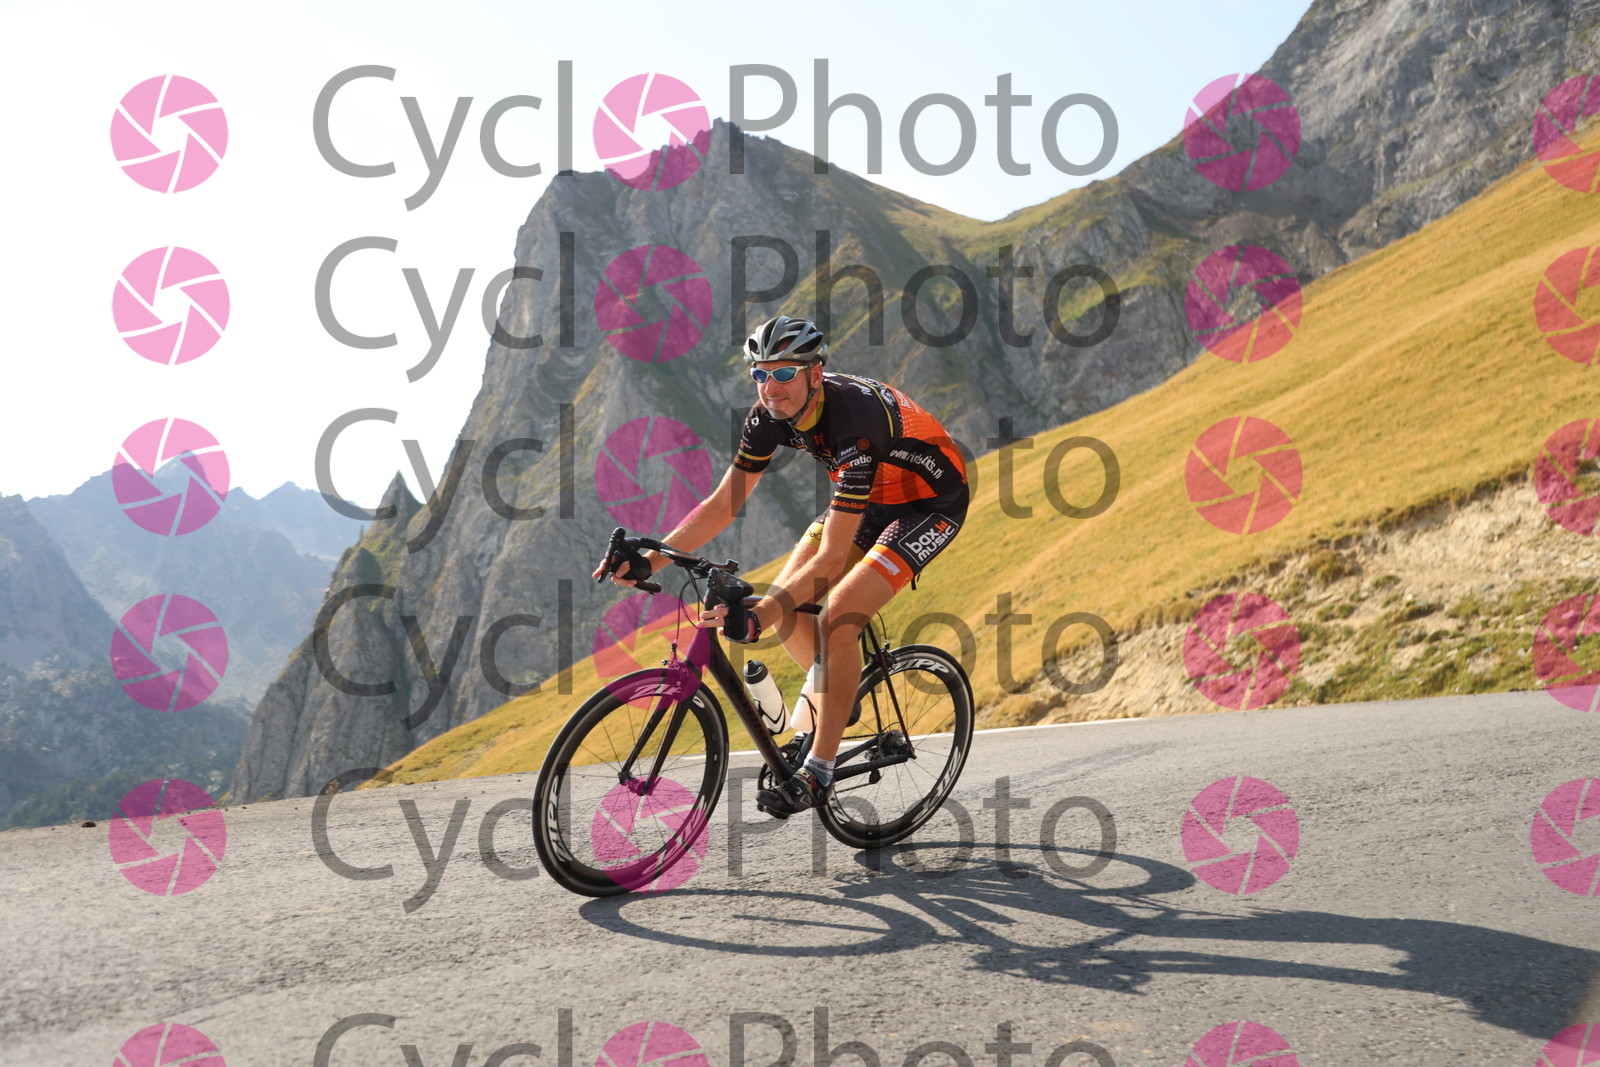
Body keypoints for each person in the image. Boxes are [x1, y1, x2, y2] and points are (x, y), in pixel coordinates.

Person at [598, 315, 969, 818]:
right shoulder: (767, 416)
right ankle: (839, 697)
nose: (771, 388)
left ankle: (819, 771)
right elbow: (723, 504)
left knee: (837, 615)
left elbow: (832, 558)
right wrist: (651, 559)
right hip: (867, 500)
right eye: (760, 374)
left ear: (815, 374)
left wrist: (763, 612)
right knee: (792, 603)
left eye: (785, 374)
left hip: (929, 506)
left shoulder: (855, 423)